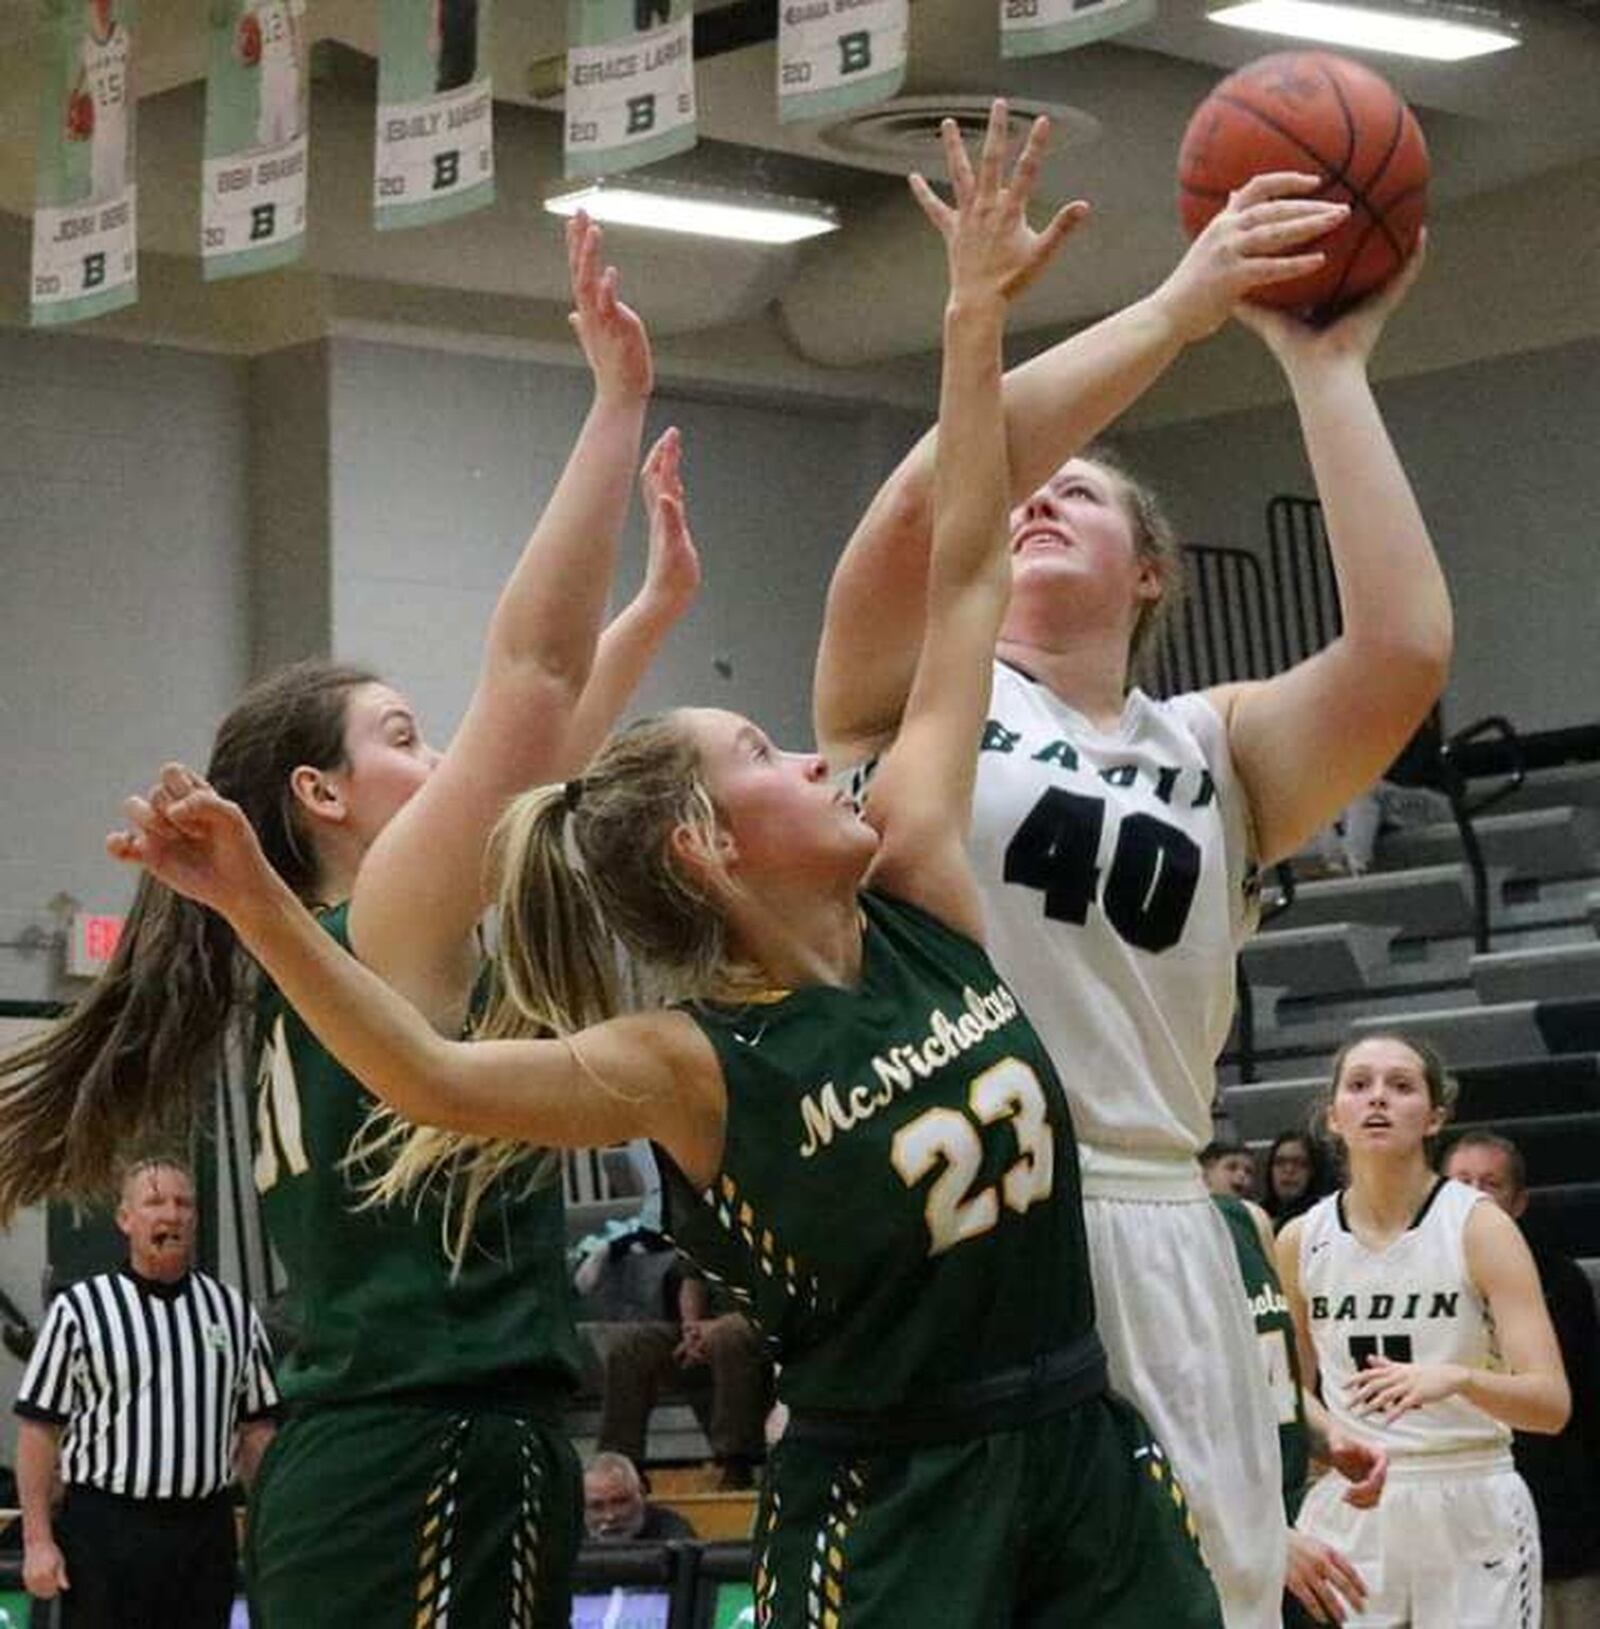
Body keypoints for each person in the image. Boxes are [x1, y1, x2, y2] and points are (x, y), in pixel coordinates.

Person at [110, 102, 1223, 1628]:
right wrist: (251, 907)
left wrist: (970, 325)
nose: (816, 756)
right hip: (893, 1494)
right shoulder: (688, 1060)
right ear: (707, 846)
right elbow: (430, 1073)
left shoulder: (914, 888)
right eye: (767, 754)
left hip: (1078, 1441)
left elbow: (961, 565)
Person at [0, 216, 697, 1629]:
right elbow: (533, 668)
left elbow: (552, 741)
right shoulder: (383, 915)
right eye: (403, 735)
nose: (439, 757)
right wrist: (614, 406)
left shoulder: (305, 957)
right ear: (318, 793)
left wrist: (659, 603)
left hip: (350, 1453)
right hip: (437, 1443)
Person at [813, 150, 1451, 1628]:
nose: (1035, 500)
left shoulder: (1218, 746)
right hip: (961, 1212)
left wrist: (1329, 364)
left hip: (1157, 1211)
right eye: (1026, 486)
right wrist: (1174, 311)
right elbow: (932, 503)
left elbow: (1405, 649)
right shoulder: (908, 696)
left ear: (1153, 572)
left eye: (1081, 495)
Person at [1278, 1035, 1571, 1628]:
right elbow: (1284, 1393)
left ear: (1435, 1116)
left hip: (1468, 1492)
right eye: (1359, 1085)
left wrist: (1457, 1378)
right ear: (1334, 1116)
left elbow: (1551, 1405)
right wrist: (1333, 1433)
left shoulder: (1479, 1227)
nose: (1378, 1098)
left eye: (1402, 1085)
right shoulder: (1301, 1240)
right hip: (1353, 1501)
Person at [14, 1157, 279, 1629]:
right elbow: (39, 1430)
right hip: (105, 1529)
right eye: (155, 1202)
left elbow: (256, 1430)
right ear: (125, 1219)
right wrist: (37, 1542)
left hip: (204, 1530)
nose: (171, 1214)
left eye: (183, 1203)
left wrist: (269, 1529)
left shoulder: (233, 1310)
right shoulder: (80, 1310)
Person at [1446, 1131, 1600, 1629]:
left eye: (1490, 1183)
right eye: (1462, 1182)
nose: (1474, 1194)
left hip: (1554, 1504)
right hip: (1454, 1510)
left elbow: (1571, 1406)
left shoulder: (1557, 1279)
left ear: (1518, 1202)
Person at [1213, 1187, 1384, 1627]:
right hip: (1221, 1532)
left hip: (1292, 1516)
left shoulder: (1247, 1220)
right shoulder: (1135, 1235)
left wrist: (1331, 1436)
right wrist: (1256, 1532)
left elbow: (1278, 1384)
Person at [592, 1257, 769, 1491]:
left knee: (728, 1335)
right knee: (628, 1348)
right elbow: (692, 1279)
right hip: (708, 1331)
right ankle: (620, 1468)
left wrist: (719, 1327)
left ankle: (735, 1463)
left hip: (769, 1331)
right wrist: (691, 1329)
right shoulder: (710, 1224)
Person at [67, 0, 130, 205]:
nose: (100, 12)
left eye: (104, 7)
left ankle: (113, 195)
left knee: (115, 155)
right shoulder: (87, 46)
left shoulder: (123, 35)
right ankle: (99, 194)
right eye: (96, 8)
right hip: (102, 111)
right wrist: (75, 96)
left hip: (118, 108)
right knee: (99, 156)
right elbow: (82, 73)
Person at [582, 1452, 695, 1543]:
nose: (610, 1516)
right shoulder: (570, 1536)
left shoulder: (673, 1534)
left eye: (620, 1502)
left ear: (642, 1493)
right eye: (597, 1506)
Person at [1265, 1131, 1335, 1232]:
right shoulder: (1257, 1218)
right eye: (1280, 1162)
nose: (1289, 1170)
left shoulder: (1325, 1219)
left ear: (1312, 1171)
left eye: (1298, 1162)